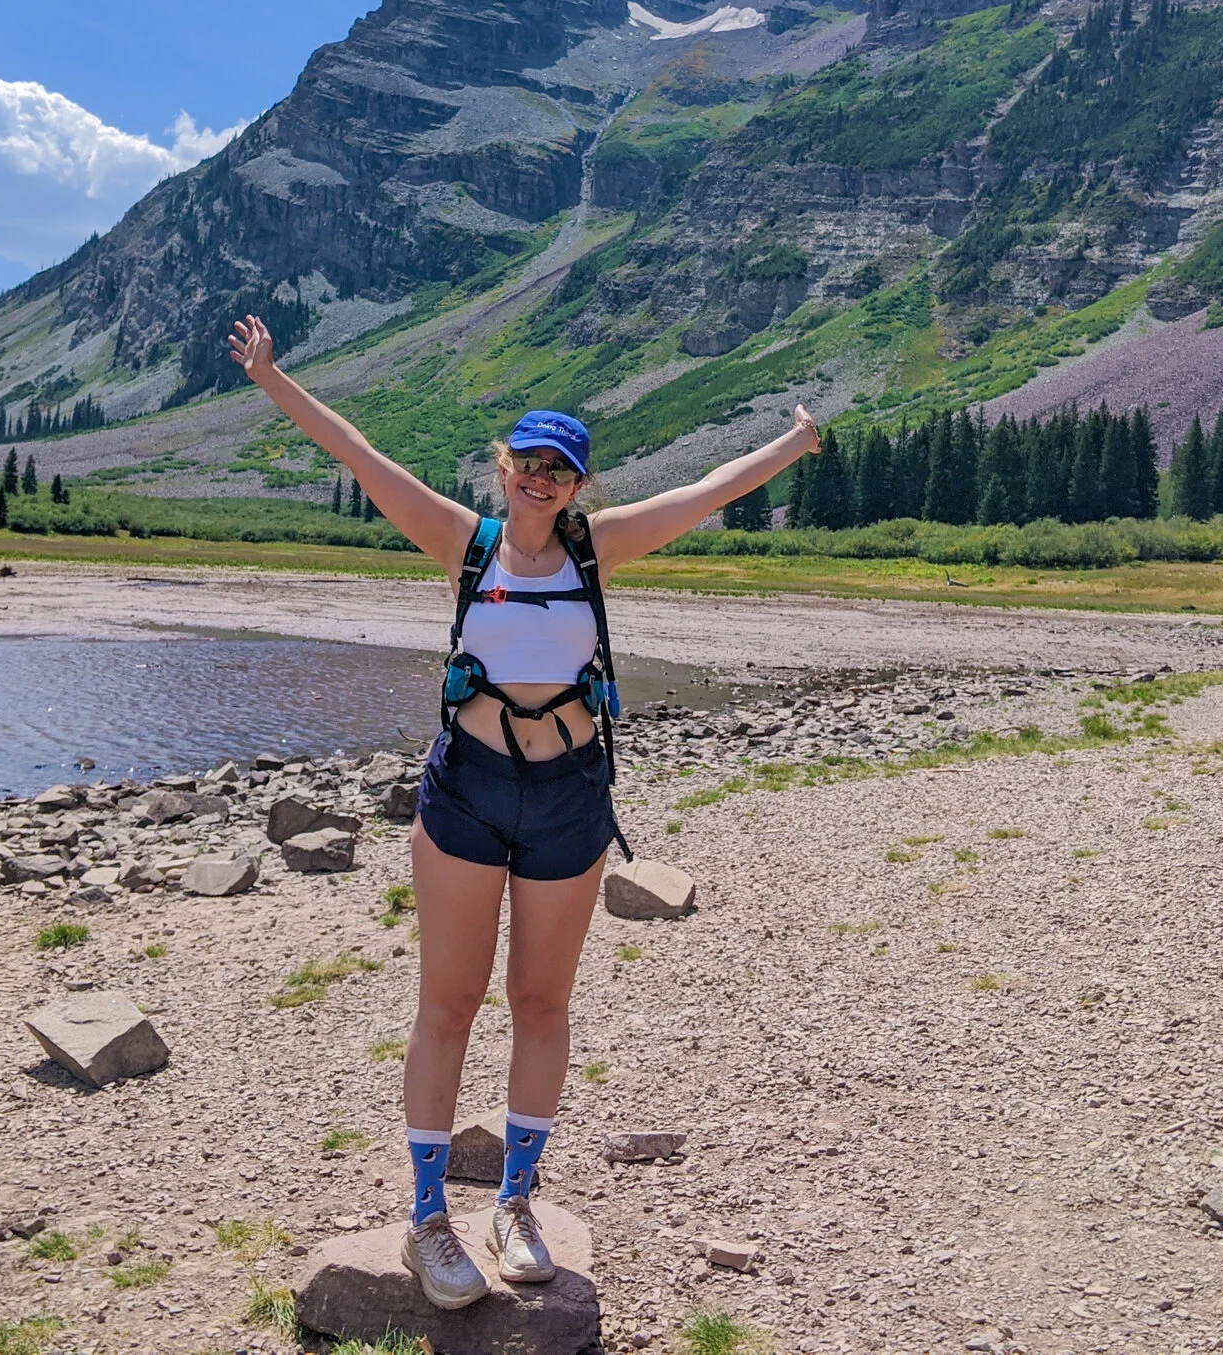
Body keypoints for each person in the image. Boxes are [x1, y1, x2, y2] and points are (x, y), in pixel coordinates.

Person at [224, 313, 821, 1307]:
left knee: (542, 1003)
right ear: (502, 467)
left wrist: (795, 444)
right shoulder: (466, 546)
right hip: (467, 790)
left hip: (569, 800)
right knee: (449, 1003)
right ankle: (427, 1220)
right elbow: (360, 455)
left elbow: (707, 491)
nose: (539, 479)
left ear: (577, 484)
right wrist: (272, 382)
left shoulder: (598, 549)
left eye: (558, 468)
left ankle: (513, 1202)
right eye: (526, 462)